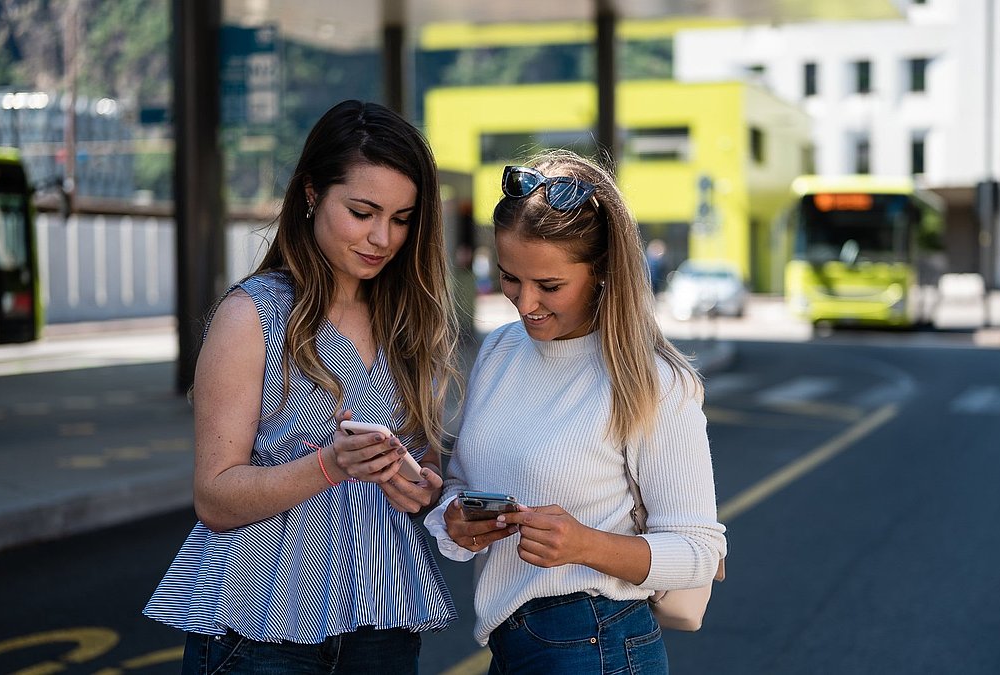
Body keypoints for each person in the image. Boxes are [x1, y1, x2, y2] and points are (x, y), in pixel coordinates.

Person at [144, 100, 459, 674]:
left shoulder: (410, 323)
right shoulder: (253, 316)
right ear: (312, 193)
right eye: (362, 212)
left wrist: (424, 491)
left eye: (402, 218)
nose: (382, 238)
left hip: (384, 630)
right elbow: (214, 497)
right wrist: (330, 466)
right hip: (262, 631)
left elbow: (426, 477)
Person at [424, 149, 727, 674]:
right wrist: (455, 521)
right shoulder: (498, 351)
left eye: (550, 285)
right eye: (510, 278)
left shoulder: (653, 381)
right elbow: (461, 483)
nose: (524, 303)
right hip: (510, 644)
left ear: (604, 271)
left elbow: (700, 553)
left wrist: (586, 545)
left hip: (598, 641)